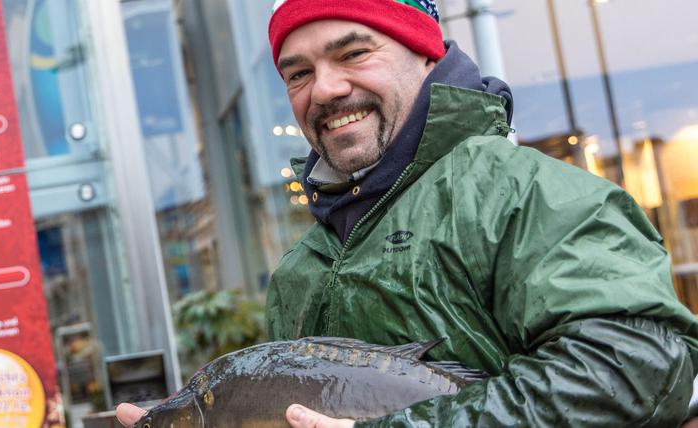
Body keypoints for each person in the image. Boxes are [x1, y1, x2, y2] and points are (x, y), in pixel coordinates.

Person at [118, 0, 698, 426]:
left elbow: (638, 366)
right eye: (298, 73)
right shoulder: (302, 268)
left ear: (424, 52)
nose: (324, 89)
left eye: (353, 53)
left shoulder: (529, 193)